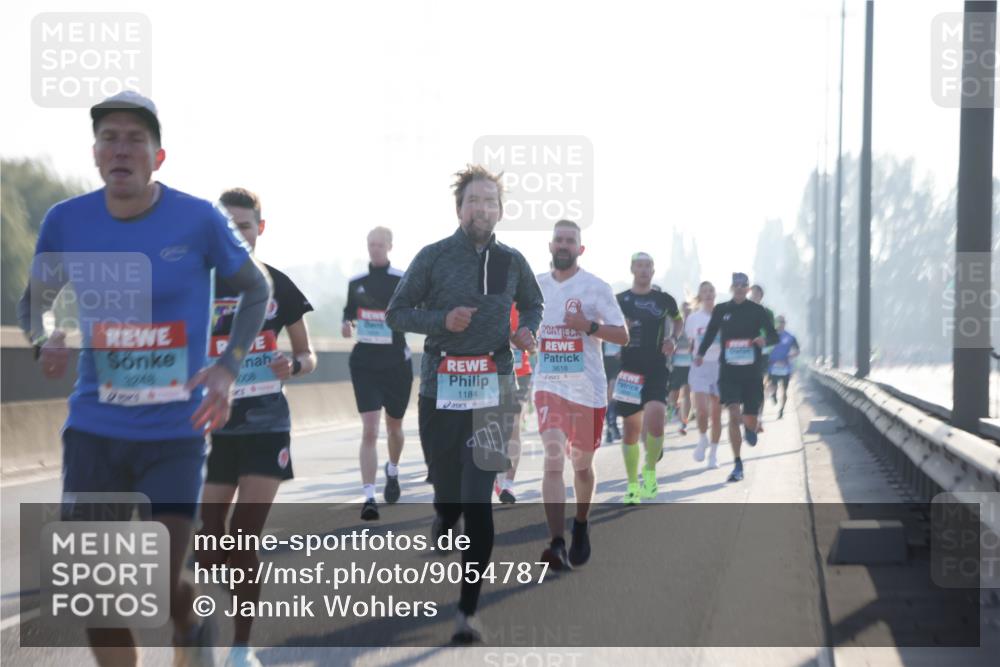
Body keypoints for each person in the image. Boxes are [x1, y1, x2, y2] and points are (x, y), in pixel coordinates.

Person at [17, 91, 272, 667]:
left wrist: (227, 369)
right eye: (110, 137)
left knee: (158, 584)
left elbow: (256, 290)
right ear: (95, 154)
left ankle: (193, 622)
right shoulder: (67, 221)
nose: (121, 148)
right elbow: (33, 306)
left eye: (136, 138)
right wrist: (44, 338)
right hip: (94, 429)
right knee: (96, 598)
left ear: (158, 158)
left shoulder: (198, 218)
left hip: (173, 432)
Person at [386, 165, 543, 644]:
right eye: (474, 200)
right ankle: (443, 512)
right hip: (441, 386)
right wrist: (441, 320)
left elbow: (533, 304)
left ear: (500, 210)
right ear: (459, 208)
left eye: (491, 201)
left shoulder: (512, 261)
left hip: (494, 383)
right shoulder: (434, 257)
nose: (483, 208)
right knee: (448, 487)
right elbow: (396, 313)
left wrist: (525, 330)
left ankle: (467, 613)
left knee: (479, 502)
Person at [197, 188, 316, 667]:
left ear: (259, 229)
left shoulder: (275, 284)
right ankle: (211, 614)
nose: (238, 235)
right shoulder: (198, 284)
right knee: (208, 540)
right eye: (228, 227)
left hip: (266, 425)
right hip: (212, 428)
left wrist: (295, 363)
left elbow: (307, 354)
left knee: (244, 537)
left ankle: (241, 646)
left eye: (245, 226)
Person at [533, 220, 628, 569]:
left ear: (580, 249)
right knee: (554, 458)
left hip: (587, 391)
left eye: (570, 241)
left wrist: (588, 326)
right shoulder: (534, 287)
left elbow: (622, 335)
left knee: (582, 466)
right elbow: (519, 325)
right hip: (549, 385)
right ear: (550, 245)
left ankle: (581, 523)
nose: (563, 245)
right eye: (558, 239)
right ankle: (556, 542)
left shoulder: (596, 288)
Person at [342, 227, 413, 520]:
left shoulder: (402, 280)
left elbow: (413, 312)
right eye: (371, 244)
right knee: (370, 430)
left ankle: (393, 470)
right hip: (365, 363)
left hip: (396, 362)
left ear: (390, 246)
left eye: (380, 245)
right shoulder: (356, 283)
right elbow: (348, 315)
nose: (375, 249)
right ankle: (369, 496)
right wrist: (346, 325)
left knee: (394, 428)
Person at [694, 273, 778, 483]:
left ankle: (751, 427)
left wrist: (763, 339)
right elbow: (711, 333)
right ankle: (737, 464)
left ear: (748, 289)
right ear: (731, 287)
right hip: (729, 372)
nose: (740, 288)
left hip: (751, 373)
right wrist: (700, 354)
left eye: (744, 285)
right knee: (732, 415)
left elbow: (774, 335)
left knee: (748, 418)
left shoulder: (758, 311)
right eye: (737, 285)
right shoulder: (722, 310)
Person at [614, 253, 682, 504]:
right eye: (639, 266)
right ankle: (632, 486)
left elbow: (677, 320)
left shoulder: (663, 299)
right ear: (632, 269)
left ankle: (650, 472)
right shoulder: (620, 300)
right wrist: (622, 329)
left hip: (656, 367)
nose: (643, 270)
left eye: (648, 266)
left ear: (653, 271)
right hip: (629, 370)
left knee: (656, 421)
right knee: (631, 431)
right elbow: (607, 326)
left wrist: (673, 340)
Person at [494, 303, 532, 504]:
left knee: (514, 426)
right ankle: (496, 473)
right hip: (492, 373)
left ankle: (508, 483)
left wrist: (529, 343)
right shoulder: (488, 300)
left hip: (520, 373)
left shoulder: (527, 305)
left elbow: (536, 343)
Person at [686, 281, 722, 469]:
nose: (708, 294)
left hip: (719, 368)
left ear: (715, 295)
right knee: (701, 411)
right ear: (700, 296)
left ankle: (713, 455)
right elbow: (691, 343)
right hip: (700, 367)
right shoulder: (693, 319)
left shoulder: (722, 316)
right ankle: (702, 439)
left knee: (716, 415)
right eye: (704, 291)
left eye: (711, 291)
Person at [749, 284, 775, 434]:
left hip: (762, 353)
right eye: (752, 293)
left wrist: (764, 339)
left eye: (757, 293)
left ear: (761, 296)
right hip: (744, 353)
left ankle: (759, 419)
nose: (754, 296)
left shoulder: (768, 312)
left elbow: (772, 334)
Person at [667, 301, 693, 436]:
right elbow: (671, 340)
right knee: (674, 393)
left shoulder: (695, 324)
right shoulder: (677, 324)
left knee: (687, 393)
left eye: (689, 309)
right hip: (676, 365)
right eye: (685, 309)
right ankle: (672, 408)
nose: (687, 311)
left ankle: (684, 422)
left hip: (690, 366)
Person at [767, 315, 801, 419]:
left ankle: (782, 410)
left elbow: (797, 350)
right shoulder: (770, 335)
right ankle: (773, 396)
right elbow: (764, 348)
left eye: (782, 322)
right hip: (773, 366)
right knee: (772, 386)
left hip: (785, 367)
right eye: (778, 322)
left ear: (785, 324)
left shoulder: (790, 336)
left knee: (785, 390)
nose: (780, 324)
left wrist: (790, 356)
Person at [602, 340, 623, 442]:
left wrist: (624, 351)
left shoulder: (623, 323)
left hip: (617, 360)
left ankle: (612, 424)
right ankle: (610, 429)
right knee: (606, 396)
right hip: (602, 361)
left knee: (612, 392)